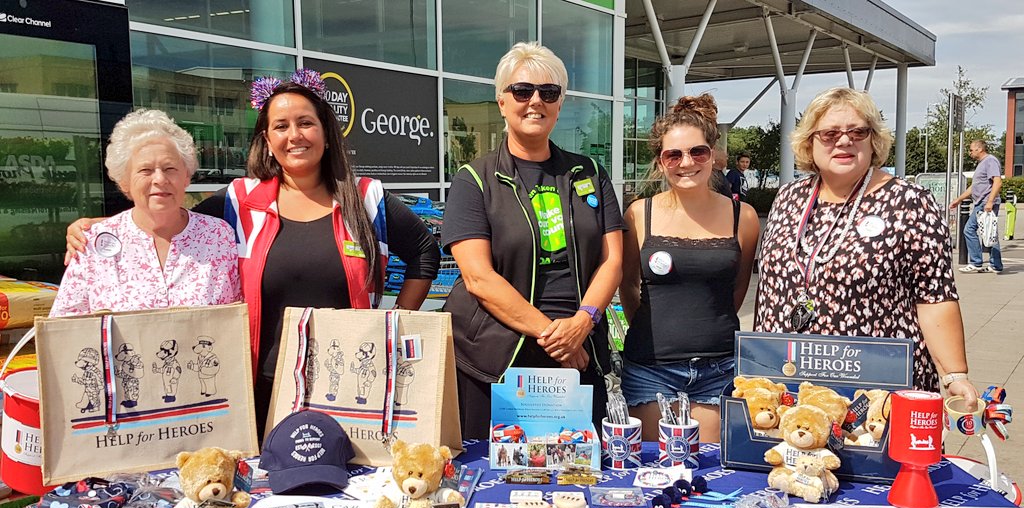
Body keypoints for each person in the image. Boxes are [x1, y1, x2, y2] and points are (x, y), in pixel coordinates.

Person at [65, 70, 440, 442]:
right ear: (267, 139)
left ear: (326, 133)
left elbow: (424, 251)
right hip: (261, 386)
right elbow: (164, 215)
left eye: (306, 123)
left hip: (347, 382)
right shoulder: (238, 201)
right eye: (281, 126)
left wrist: (393, 324)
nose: (294, 135)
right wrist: (103, 227)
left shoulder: (365, 199)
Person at [441, 42, 624, 440]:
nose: (535, 101)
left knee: (575, 472)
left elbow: (612, 261)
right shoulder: (474, 179)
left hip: (578, 353)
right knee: (491, 474)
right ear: (502, 101)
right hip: (495, 357)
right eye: (522, 91)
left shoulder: (589, 171)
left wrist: (581, 324)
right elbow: (478, 278)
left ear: (560, 104)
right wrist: (557, 337)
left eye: (549, 92)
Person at [755, 87, 980, 409]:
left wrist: (954, 375)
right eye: (830, 133)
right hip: (790, 381)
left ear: (874, 139)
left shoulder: (909, 202)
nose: (844, 141)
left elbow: (935, 296)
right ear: (809, 142)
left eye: (857, 131)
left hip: (875, 387)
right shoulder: (789, 198)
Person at [619, 95, 759, 442]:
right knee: (651, 474)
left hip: (721, 368)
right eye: (674, 155)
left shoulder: (744, 217)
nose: (687, 163)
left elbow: (737, 290)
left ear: (713, 156)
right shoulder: (639, 214)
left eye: (698, 152)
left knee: (709, 476)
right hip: (651, 369)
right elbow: (628, 288)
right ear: (660, 161)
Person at [51, 108, 240, 317]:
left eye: (170, 169)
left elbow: (238, 318)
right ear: (124, 182)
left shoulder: (219, 236)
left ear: (186, 176)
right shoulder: (92, 242)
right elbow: (64, 328)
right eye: (145, 170)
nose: (159, 179)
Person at [950, 139, 1003, 273]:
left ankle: (976, 262)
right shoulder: (982, 164)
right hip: (982, 202)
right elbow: (974, 187)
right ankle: (995, 264)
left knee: (969, 230)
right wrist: (959, 199)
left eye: (972, 150)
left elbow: (997, 181)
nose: (970, 152)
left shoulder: (990, 161)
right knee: (990, 233)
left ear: (980, 149)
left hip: (986, 203)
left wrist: (990, 201)